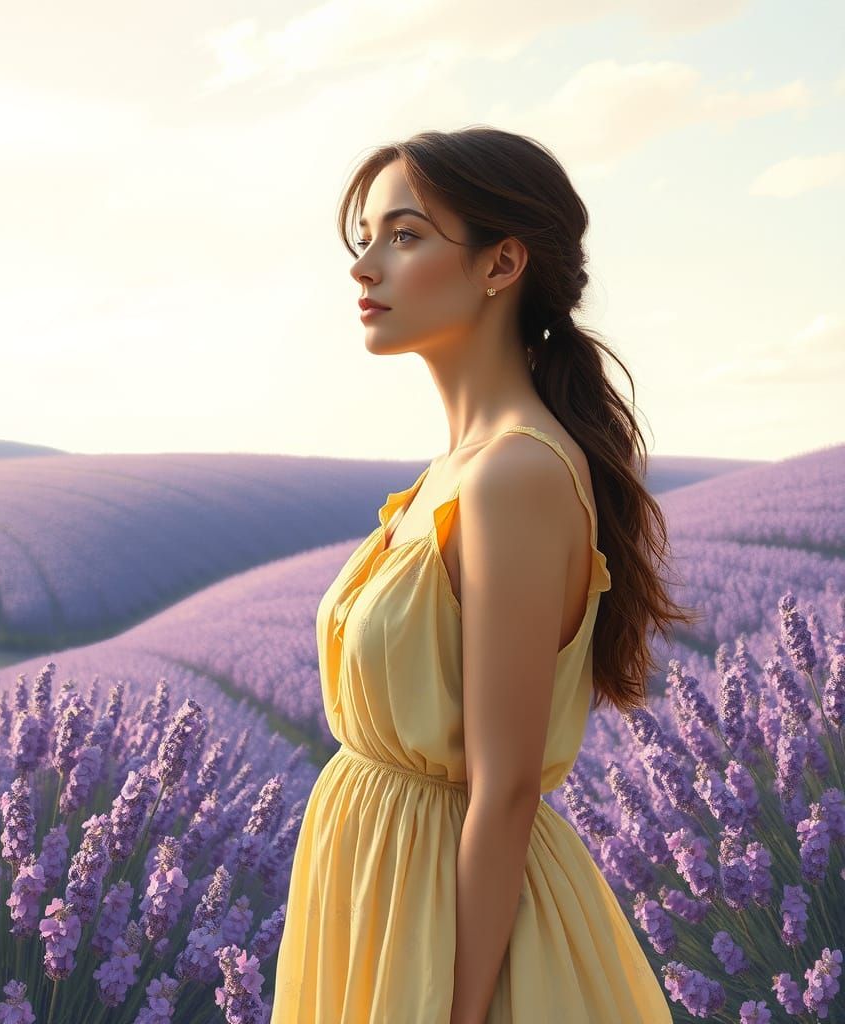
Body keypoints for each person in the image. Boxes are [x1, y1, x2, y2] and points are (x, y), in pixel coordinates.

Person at [269, 126, 699, 1023]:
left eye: (406, 235)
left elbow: (502, 792)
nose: (365, 267)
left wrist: (450, 1010)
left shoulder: (516, 475)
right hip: (385, 903)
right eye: (365, 239)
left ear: (502, 264)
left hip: (455, 941)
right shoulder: (455, 470)